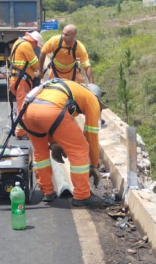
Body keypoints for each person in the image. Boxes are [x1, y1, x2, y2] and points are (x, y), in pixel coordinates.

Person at [20, 79, 104, 207]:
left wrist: (54, 143)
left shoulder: (67, 88)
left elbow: (47, 116)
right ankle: (82, 195)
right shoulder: (92, 99)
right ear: (97, 97)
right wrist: (93, 164)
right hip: (49, 110)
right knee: (80, 149)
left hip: (27, 111)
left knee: (40, 153)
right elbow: (91, 134)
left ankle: (47, 192)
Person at [8, 31, 44, 140]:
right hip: (22, 81)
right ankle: (20, 131)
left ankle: (21, 129)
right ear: (33, 41)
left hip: (17, 79)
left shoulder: (18, 42)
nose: (34, 47)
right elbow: (35, 64)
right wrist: (37, 72)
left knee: (22, 104)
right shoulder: (26, 45)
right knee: (23, 106)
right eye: (35, 45)